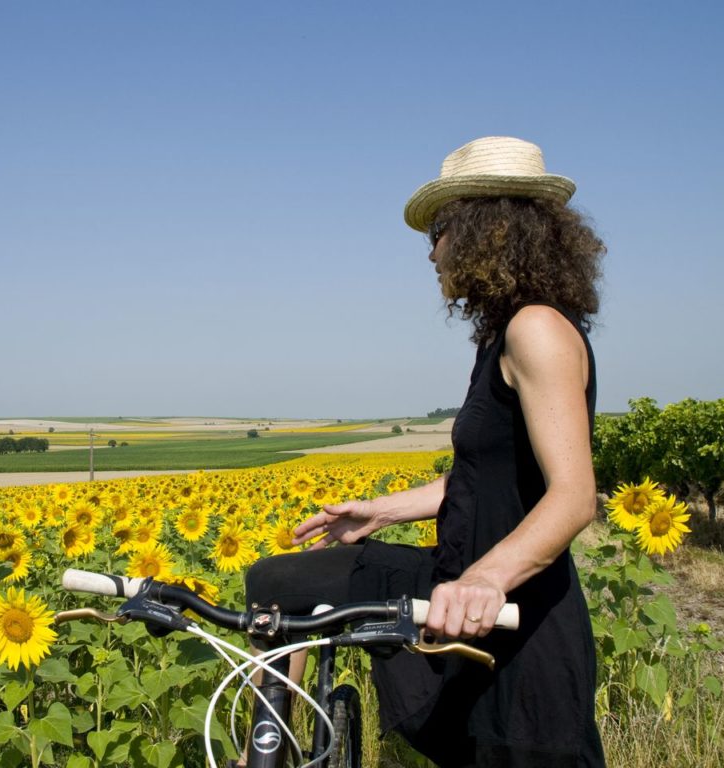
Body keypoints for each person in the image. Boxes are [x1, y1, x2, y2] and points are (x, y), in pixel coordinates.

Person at [245, 136, 607, 767]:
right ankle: (267, 751)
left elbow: (575, 495)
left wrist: (485, 579)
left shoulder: (536, 329)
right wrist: (381, 511)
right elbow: (485, 477)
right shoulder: (502, 334)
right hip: (455, 576)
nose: (433, 252)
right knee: (278, 582)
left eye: (438, 231)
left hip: (519, 611)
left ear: (483, 231)